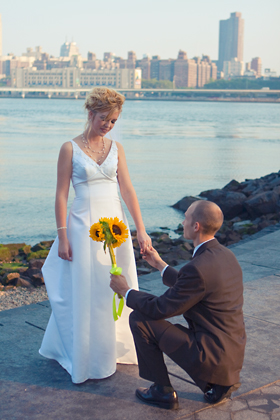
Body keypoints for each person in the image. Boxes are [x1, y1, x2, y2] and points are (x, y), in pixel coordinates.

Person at [39, 87, 151, 384]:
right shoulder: (69, 148)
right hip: (82, 228)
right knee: (86, 290)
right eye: (104, 118)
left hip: (116, 227)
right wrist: (62, 236)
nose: (108, 125)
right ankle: (87, 355)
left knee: (114, 288)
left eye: (114, 121)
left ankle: (111, 349)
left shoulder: (117, 148)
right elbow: (61, 195)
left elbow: (127, 190)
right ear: (91, 113)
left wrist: (141, 230)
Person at [110, 200, 246, 410]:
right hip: (230, 355)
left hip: (211, 355)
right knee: (148, 316)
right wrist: (159, 264)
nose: (182, 222)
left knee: (140, 319)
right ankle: (216, 382)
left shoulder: (198, 267)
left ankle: (162, 391)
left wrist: (125, 291)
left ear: (196, 226)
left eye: (186, 218)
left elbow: (160, 308)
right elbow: (194, 286)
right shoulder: (227, 256)